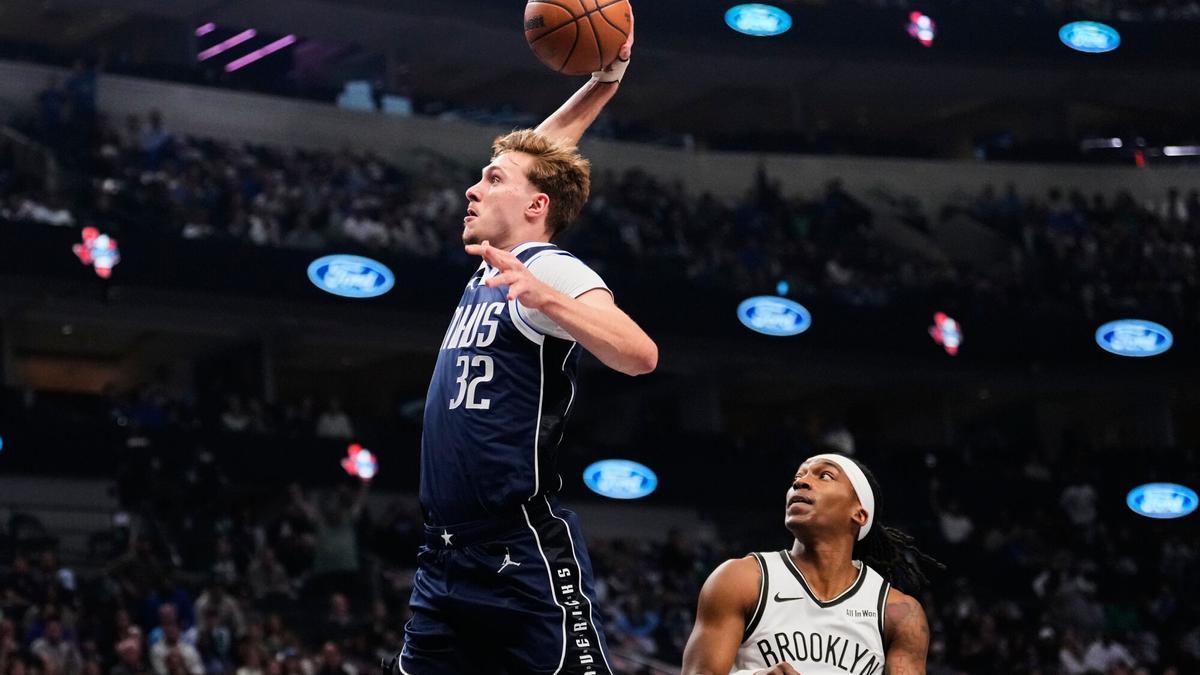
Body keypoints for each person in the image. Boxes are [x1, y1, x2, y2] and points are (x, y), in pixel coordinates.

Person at [395, 13, 656, 675]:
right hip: (446, 553)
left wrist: (553, 304)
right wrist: (606, 79)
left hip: (518, 550)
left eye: (490, 180)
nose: (471, 187)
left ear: (536, 207)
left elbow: (638, 352)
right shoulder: (496, 263)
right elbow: (543, 153)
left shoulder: (546, 269)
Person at [681, 454, 942, 674]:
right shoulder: (742, 578)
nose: (801, 483)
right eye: (798, 477)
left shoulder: (898, 612)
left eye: (824, 476)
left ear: (859, 514)